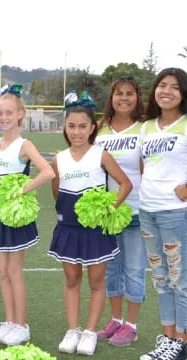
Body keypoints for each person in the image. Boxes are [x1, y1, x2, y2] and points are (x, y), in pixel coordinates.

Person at [48, 92, 132, 356]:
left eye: (83, 126)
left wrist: (109, 209)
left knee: (97, 281)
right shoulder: (58, 159)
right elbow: (57, 194)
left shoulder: (101, 155)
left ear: (92, 127)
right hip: (69, 229)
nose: (77, 132)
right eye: (71, 126)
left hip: (95, 231)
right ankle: (72, 330)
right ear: (65, 127)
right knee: (72, 279)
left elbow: (125, 184)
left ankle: (90, 332)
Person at [0, 84, 54, 345]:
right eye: (0, 113)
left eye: (9, 112)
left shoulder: (25, 145)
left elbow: (48, 172)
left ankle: (22, 325)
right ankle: (10, 321)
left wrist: (22, 190)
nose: (3, 118)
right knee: (2, 271)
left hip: (15, 217)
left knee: (14, 271)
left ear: (21, 113)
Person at [139, 68, 187, 360]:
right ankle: (168, 341)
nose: (166, 91)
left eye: (174, 87)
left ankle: (182, 342)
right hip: (148, 212)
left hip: (176, 214)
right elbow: (147, 167)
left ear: (183, 93)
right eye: (161, 85)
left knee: (179, 279)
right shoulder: (147, 127)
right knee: (160, 278)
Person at [95, 77, 147, 347]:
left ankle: (132, 325)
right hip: (108, 213)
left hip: (137, 210)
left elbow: (147, 170)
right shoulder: (100, 129)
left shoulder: (145, 129)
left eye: (130, 94)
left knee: (135, 269)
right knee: (111, 269)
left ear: (137, 98)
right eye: (119, 93)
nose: (124, 98)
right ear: (111, 97)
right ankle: (115, 319)